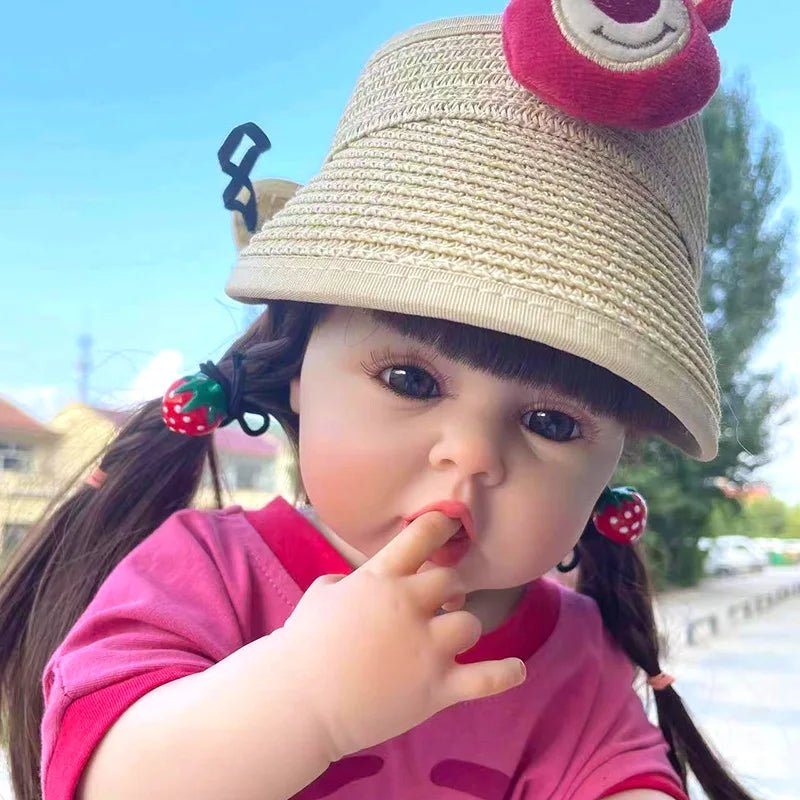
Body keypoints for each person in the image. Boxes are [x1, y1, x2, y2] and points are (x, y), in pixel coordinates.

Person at [0, 1, 759, 798]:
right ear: (294, 369)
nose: (469, 454)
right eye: (409, 380)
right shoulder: (205, 577)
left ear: (613, 463)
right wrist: (309, 702)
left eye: (551, 422)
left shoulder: (578, 656)